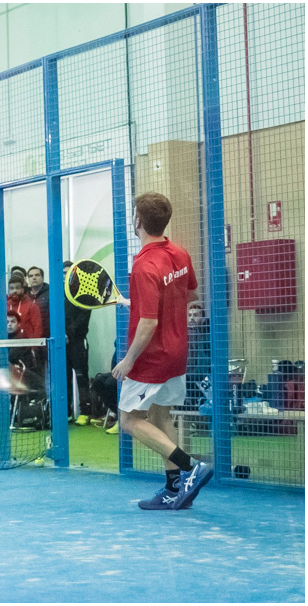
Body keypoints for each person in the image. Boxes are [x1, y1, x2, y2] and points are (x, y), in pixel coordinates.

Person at [111, 192, 212, 510]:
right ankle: (173, 490)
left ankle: (191, 467)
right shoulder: (179, 253)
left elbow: (149, 322)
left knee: (129, 420)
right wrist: (136, 303)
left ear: (137, 221)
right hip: (178, 352)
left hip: (150, 358)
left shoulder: (143, 265)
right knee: (160, 415)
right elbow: (189, 294)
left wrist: (128, 361)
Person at [63, 261, 92, 424]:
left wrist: (68, 334)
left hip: (78, 342)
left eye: (69, 272)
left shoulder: (83, 293)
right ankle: (66, 412)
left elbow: (83, 318)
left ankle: (85, 412)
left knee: (81, 376)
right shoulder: (57, 293)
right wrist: (61, 335)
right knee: (64, 377)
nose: (66, 275)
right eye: (63, 273)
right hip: (62, 344)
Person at [26, 266, 50, 338]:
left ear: (42, 278)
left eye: (37, 275)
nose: (34, 278)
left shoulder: (50, 293)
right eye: (31, 276)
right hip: (29, 337)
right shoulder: (25, 295)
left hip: (47, 336)